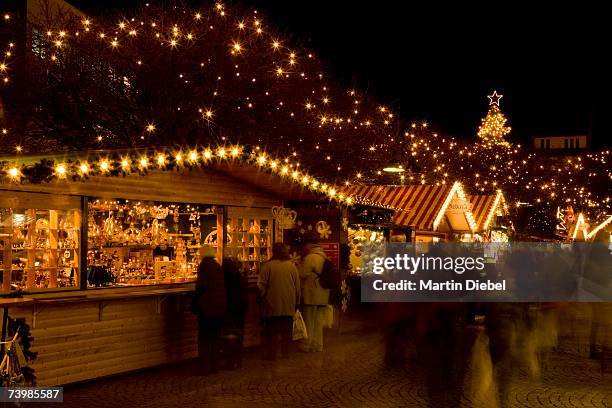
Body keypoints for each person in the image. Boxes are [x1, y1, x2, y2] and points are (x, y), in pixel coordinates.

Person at [258, 243, 300, 360]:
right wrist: (297, 302)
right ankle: (285, 352)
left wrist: (262, 298)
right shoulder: (291, 266)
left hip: (272, 303)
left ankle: (272, 354)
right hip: (288, 304)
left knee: (272, 331)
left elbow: (261, 285)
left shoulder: (268, 266)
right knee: (287, 331)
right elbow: (297, 286)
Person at [192, 246, 227, 374]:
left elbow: (201, 286)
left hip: (207, 308)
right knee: (215, 338)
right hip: (219, 307)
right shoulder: (217, 265)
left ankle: (204, 366)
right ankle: (214, 365)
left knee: (204, 338)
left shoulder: (204, 266)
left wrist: (195, 301)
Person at [299, 238, 330, 352]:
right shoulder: (325, 257)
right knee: (319, 321)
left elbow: (302, 274)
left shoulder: (310, 258)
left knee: (309, 320)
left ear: (310, 246)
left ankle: (307, 345)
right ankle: (318, 345)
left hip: (312, 293)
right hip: (323, 293)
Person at [222, 254, 248, 369]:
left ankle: (230, 361)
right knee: (238, 336)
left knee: (229, 337)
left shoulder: (224, 280)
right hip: (239, 310)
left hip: (229, 310)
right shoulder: (239, 278)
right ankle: (238, 360)